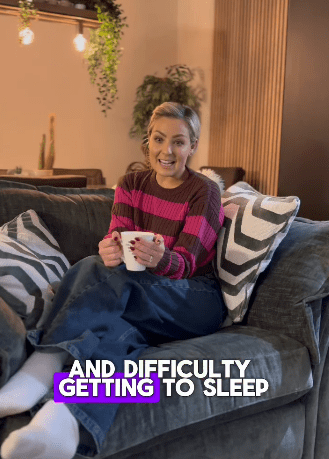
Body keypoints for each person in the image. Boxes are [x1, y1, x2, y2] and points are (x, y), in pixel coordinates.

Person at [0, 102, 227, 459]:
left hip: (194, 299)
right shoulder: (132, 184)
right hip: (141, 294)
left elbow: (185, 263)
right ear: (148, 141)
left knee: (91, 270)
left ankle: (40, 370)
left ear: (193, 146)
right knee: (115, 331)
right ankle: (60, 425)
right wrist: (110, 250)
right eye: (159, 139)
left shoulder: (204, 192)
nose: (167, 150)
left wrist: (161, 258)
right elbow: (116, 237)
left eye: (179, 142)